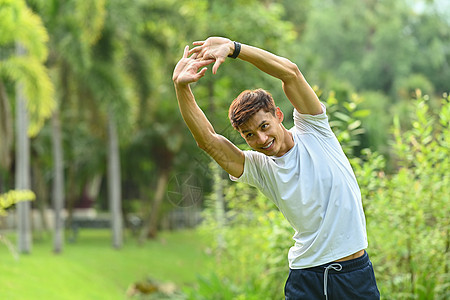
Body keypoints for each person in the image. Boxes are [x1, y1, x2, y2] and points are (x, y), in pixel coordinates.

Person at [172, 36, 380, 300]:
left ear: (278, 116)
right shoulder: (260, 167)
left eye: (264, 126)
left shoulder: (313, 130)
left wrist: (235, 49)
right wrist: (181, 88)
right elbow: (208, 141)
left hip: (354, 277)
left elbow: (290, 73)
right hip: (307, 279)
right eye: (249, 135)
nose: (260, 140)